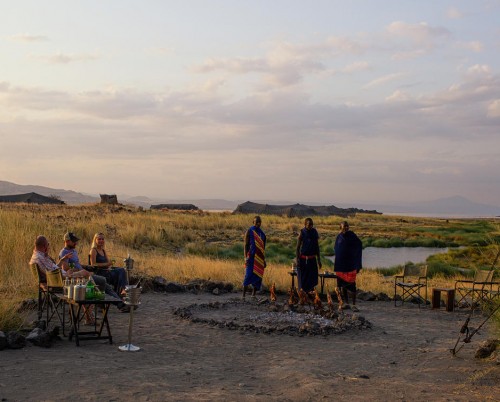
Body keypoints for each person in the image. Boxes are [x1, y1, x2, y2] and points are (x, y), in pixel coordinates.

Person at [58, 232, 130, 312]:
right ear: (67, 241)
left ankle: (118, 303)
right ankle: (119, 304)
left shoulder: (73, 251)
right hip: (79, 278)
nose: (76, 243)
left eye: (76, 241)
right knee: (104, 283)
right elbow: (66, 268)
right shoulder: (64, 252)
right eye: (74, 241)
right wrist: (81, 270)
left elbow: (77, 264)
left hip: (85, 274)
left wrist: (85, 267)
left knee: (112, 278)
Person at [333, 221, 362, 312]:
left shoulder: (352, 235)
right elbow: (336, 248)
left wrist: (357, 263)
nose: (345, 228)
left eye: (347, 226)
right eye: (344, 226)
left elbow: (359, 245)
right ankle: (346, 303)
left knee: (352, 286)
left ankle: (353, 304)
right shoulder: (339, 237)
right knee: (342, 286)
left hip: (351, 265)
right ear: (340, 227)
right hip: (341, 265)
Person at [242, 216, 267, 299]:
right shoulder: (249, 231)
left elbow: (263, 248)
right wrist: (245, 257)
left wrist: (264, 260)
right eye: (256, 222)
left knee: (258, 276)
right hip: (251, 257)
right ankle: (243, 296)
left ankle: (253, 295)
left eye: (259, 222)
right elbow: (245, 245)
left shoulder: (262, 234)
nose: (258, 224)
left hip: (259, 259)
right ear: (253, 222)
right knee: (248, 275)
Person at [295, 217, 322, 293]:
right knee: (303, 279)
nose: (310, 226)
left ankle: (311, 297)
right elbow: (297, 248)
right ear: (305, 224)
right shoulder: (302, 232)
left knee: (312, 279)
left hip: (312, 259)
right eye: (309, 225)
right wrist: (297, 260)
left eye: (312, 225)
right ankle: (303, 297)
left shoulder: (314, 232)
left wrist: (319, 260)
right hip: (303, 259)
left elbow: (317, 247)